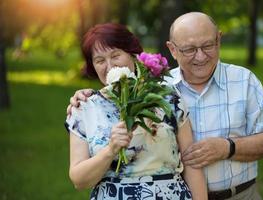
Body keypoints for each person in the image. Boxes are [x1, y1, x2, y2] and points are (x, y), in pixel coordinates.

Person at [68, 12, 263, 200]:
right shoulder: (158, 87)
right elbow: (78, 177)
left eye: (207, 45)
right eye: (189, 49)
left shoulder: (240, 81)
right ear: (173, 49)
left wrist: (227, 147)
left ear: (219, 40)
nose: (200, 55)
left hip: (238, 194)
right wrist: (108, 143)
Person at [64, 23, 207, 200]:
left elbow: (192, 162)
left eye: (115, 55)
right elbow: (79, 180)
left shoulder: (168, 97)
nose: (109, 66)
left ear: (133, 55)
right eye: (100, 60)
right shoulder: (85, 108)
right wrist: (111, 150)